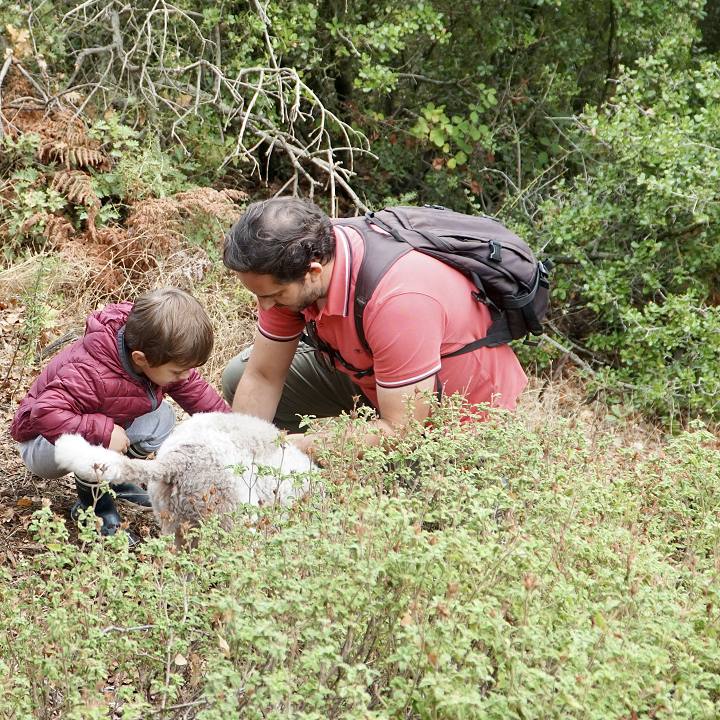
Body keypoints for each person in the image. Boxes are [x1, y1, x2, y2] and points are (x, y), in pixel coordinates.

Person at [221, 197, 527, 455]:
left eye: (273, 295)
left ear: (313, 271)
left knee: (418, 495)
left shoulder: (398, 300)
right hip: (375, 374)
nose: (266, 306)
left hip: (458, 412)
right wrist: (243, 457)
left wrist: (290, 448)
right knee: (240, 377)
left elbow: (400, 431)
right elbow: (263, 376)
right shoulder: (290, 266)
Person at [11, 287, 230, 537]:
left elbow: (196, 391)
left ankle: (116, 479)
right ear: (141, 358)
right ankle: (93, 509)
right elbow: (45, 413)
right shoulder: (90, 369)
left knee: (162, 418)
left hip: (87, 423)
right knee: (98, 441)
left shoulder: (153, 347)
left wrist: (232, 429)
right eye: (178, 371)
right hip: (42, 444)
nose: (185, 376)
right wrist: (103, 433)